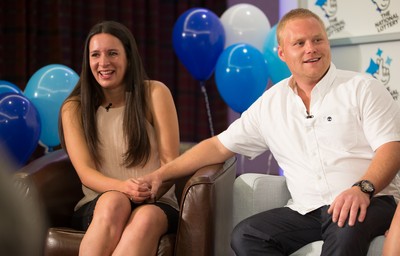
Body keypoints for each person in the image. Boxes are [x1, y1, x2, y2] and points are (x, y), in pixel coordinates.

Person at [140, 8, 400, 256]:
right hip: (307, 210)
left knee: (346, 224)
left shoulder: (362, 88)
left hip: (372, 199)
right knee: (247, 235)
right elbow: (218, 146)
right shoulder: (271, 103)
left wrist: (362, 188)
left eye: (317, 39)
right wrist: (161, 174)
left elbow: (391, 147)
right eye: (299, 43)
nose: (311, 48)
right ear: (282, 53)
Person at [58, 20, 180, 256]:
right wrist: (124, 188)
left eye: (112, 53)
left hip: (156, 200)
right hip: (101, 202)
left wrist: (146, 191)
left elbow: (170, 164)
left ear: (129, 58)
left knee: (145, 217)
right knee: (115, 201)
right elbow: (85, 172)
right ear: (88, 61)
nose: (103, 63)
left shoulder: (155, 93)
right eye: (95, 55)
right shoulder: (73, 107)